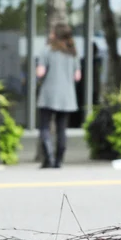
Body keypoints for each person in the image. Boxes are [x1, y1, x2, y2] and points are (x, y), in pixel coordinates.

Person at [35, 23, 81, 169]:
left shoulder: (47, 51)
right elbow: (77, 76)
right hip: (66, 96)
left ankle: (48, 157)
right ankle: (58, 160)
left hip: (49, 94)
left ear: (55, 34)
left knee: (44, 126)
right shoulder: (72, 53)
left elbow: (40, 72)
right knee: (62, 129)